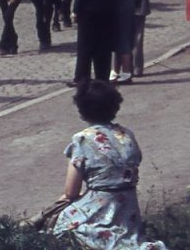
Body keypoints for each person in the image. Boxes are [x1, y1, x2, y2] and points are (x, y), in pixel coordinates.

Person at [52, 81, 169, 250]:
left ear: (81, 110)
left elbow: (71, 192)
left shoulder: (82, 139)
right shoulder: (127, 135)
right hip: (128, 208)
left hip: (101, 207)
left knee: (62, 224)